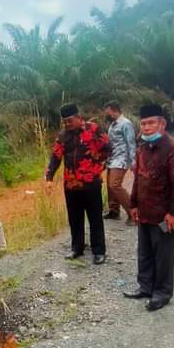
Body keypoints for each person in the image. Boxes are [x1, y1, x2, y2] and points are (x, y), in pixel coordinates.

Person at [124, 104, 174, 311]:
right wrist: (133, 205)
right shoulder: (143, 148)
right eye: (143, 124)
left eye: (151, 123)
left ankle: (162, 292)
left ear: (163, 124)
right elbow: (138, 180)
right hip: (144, 210)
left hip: (164, 214)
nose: (147, 128)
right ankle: (145, 286)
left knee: (163, 255)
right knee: (144, 252)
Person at [45, 103, 111, 264]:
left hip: (91, 183)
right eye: (65, 122)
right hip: (71, 185)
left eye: (70, 120)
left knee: (95, 217)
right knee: (75, 218)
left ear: (79, 118)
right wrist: (49, 178)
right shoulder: (62, 136)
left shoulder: (94, 129)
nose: (67, 124)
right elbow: (55, 157)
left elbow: (108, 148)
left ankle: (99, 251)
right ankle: (77, 248)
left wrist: (98, 166)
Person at [103, 100, 137, 224]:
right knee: (109, 186)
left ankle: (133, 213)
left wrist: (133, 161)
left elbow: (131, 143)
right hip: (112, 159)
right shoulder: (112, 124)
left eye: (108, 112)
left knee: (115, 185)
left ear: (115, 110)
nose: (107, 115)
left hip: (121, 159)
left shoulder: (126, 124)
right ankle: (114, 211)